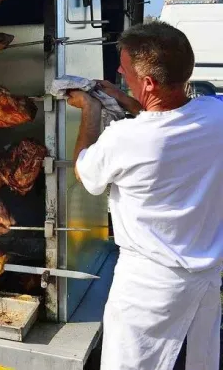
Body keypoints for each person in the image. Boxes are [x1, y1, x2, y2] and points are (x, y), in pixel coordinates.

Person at [69, 22, 222, 370]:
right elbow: (166, 122)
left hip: (148, 291)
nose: (119, 71)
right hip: (205, 280)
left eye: (124, 68)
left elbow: (85, 172)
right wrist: (126, 99)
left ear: (149, 82)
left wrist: (91, 112)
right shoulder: (217, 114)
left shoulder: (123, 139)